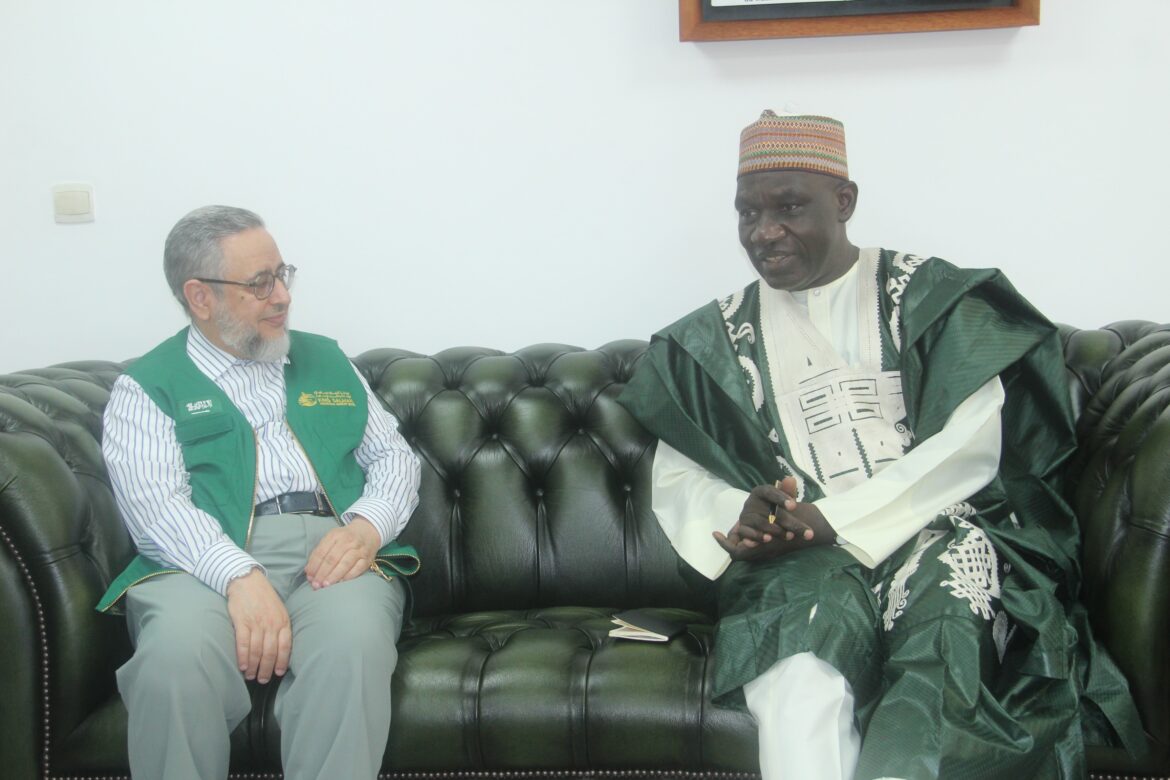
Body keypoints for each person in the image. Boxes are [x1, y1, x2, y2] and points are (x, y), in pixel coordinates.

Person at [618, 111, 1144, 780]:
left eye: (789, 207)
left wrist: (836, 516)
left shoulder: (931, 298)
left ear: (845, 202)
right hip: (797, 554)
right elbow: (682, 472)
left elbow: (970, 445)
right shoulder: (707, 342)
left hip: (939, 529)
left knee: (941, 659)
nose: (764, 232)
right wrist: (741, 515)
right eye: (747, 213)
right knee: (796, 671)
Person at [97, 205, 422, 780]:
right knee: (174, 656)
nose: (282, 296)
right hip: (198, 560)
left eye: (282, 274)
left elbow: (393, 457)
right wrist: (238, 574)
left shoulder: (326, 358)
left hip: (333, 546)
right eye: (258, 284)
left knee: (354, 644)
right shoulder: (147, 386)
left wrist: (368, 526)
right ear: (200, 297)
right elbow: (155, 507)